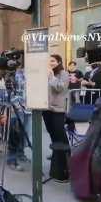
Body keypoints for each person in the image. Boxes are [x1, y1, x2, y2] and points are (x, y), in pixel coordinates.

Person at [42, 54, 70, 182]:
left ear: (59, 62)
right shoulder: (46, 73)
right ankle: (56, 156)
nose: (51, 63)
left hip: (58, 110)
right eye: (49, 61)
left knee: (60, 135)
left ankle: (66, 162)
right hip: (46, 109)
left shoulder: (63, 74)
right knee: (52, 134)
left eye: (53, 61)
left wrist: (51, 77)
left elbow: (60, 87)